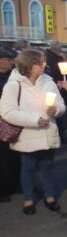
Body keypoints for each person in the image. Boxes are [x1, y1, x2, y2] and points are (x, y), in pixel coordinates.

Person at [0, 49, 65, 215]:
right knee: (28, 167)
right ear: (29, 65)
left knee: (47, 166)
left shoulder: (48, 81)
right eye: (40, 62)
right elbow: (7, 112)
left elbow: (61, 104)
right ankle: (28, 198)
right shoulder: (13, 85)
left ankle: (49, 196)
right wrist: (34, 119)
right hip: (27, 133)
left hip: (47, 131)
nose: (44, 65)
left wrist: (56, 110)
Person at [0, 46, 21, 202]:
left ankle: (15, 184)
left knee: (13, 155)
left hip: (12, 120)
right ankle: (3, 189)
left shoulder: (13, 77)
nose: (11, 62)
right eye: (8, 59)